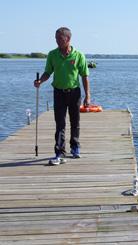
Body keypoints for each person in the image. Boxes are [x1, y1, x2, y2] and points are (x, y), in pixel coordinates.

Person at [34, 27, 90, 165]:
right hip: (59, 92)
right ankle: (59, 152)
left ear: (68, 39)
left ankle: (75, 147)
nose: (57, 41)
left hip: (74, 93)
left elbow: (84, 76)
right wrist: (40, 80)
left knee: (75, 122)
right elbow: (48, 72)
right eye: (56, 38)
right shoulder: (52, 55)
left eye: (60, 39)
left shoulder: (79, 55)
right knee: (60, 123)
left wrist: (87, 95)